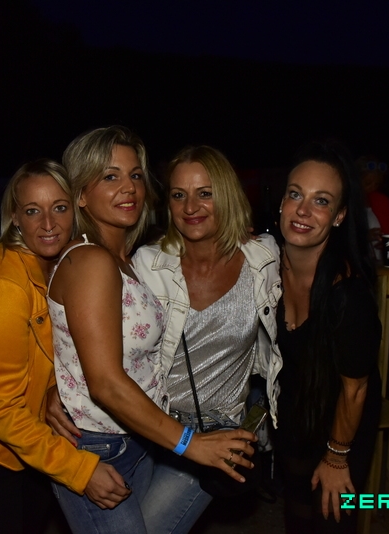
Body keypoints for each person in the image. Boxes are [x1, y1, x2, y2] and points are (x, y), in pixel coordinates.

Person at [45, 126, 256, 534]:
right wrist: (191, 444)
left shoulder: (126, 259)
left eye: (136, 175)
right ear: (80, 194)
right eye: (110, 176)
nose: (129, 188)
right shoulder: (91, 261)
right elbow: (105, 384)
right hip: (99, 448)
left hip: (136, 440)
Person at [0, 160, 130, 533]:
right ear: (14, 217)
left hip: (27, 447)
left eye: (59, 207)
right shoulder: (4, 289)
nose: (48, 223)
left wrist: (53, 388)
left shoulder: (57, 263)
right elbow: (3, 410)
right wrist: (80, 470)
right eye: (32, 211)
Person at [130, 145, 283, 533]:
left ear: (227, 196)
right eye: (179, 194)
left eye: (205, 193)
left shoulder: (262, 258)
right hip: (148, 428)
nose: (190, 207)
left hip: (217, 434)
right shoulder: (147, 264)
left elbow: (311, 272)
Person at [275, 140, 382, 533]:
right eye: (295, 194)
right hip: (295, 410)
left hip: (343, 419)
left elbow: (355, 389)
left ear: (339, 216)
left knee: (329, 519)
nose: (303, 210)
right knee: (296, 516)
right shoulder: (263, 266)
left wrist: (337, 457)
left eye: (321, 201)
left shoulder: (347, 295)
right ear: (281, 203)